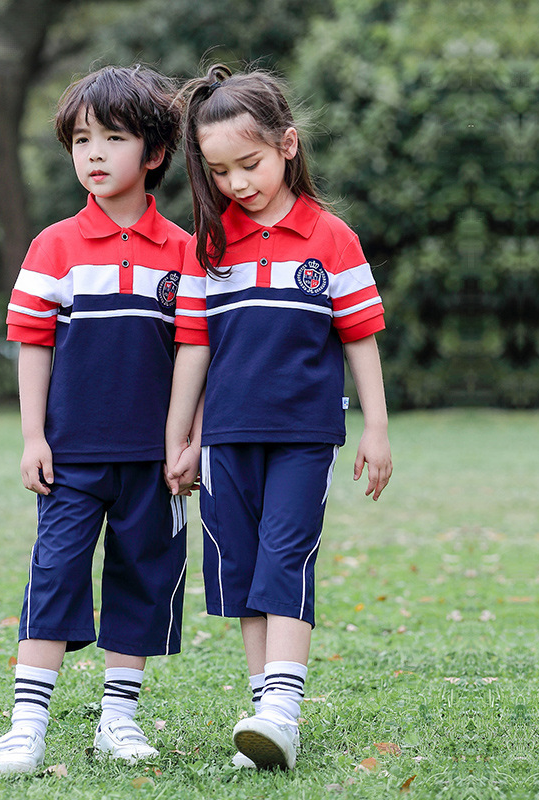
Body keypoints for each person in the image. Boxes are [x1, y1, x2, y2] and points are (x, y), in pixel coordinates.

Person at [164, 64, 393, 771]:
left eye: (250, 163)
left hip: (304, 434)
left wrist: (378, 428)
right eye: (220, 171)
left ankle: (282, 714)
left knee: (285, 559)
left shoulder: (333, 237)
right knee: (241, 571)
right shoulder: (210, 246)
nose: (237, 183)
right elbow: (195, 347)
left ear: (287, 145)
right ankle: (264, 717)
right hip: (225, 438)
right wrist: (181, 436)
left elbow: (360, 336)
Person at [0, 65, 190, 774]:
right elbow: (32, 344)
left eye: (113, 138)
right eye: (81, 140)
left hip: (153, 462)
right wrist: (33, 438)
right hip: (70, 455)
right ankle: (26, 726)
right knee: (55, 574)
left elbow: (197, 358)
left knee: (143, 578)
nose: (94, 153)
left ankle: (119, 720)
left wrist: (187, 442)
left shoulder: (186, 253)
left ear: (154, 153)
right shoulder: (54, 246)